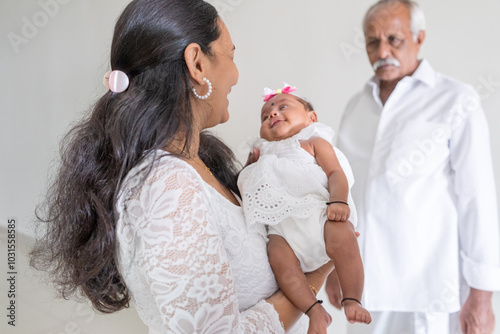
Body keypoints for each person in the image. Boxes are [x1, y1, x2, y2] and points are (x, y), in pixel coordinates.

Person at [29, 1, 335, 333]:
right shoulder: (169, 186)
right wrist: (314, 278)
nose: (235, 73)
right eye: (230, 55)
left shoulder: (196, 160)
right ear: (197, 63)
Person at [327, 0, 500, 333]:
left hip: (428, 294)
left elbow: (477, 200)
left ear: (419, 38)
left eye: (394, 39)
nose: (382, 51)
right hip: (364, 294)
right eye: (372, 41)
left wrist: (482, 294)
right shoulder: (356, 106)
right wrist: (335, 268)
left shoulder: (455, 100)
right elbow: (344, 194)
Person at [238, 85, 372, 334]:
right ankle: (314, 311)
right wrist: (248, 168)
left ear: (311, 117)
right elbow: (246, 188)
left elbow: (335, 173)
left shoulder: (312, 142)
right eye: (265, 115)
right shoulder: (260, 153)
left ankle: (352, 298)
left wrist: (339, 200)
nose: (272, 114)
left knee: (344, 237)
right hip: (282, 229)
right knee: (280, 261)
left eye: (282, 106)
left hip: (320, 215)